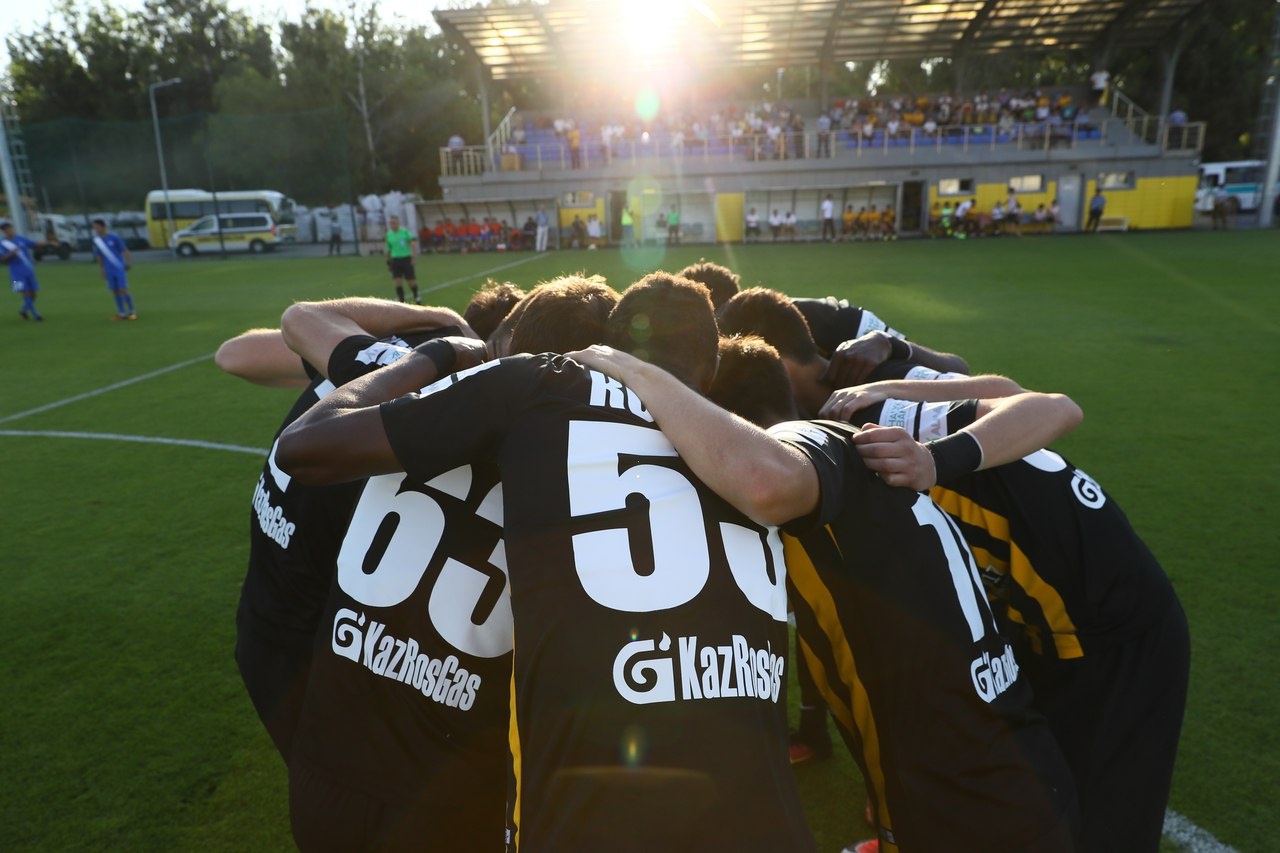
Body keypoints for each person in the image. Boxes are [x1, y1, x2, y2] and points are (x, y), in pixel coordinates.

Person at [276, 275, 818, 853]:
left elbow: (301, 401)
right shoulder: (737, 456)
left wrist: (437, 355)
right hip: (743, 814)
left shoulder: (512, 391)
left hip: (346, 759)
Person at [565, 343, 1082, 853]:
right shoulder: (837, 462)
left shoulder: (799, 443)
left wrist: (638, 373)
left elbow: (763, 482)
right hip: (1006, 766)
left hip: (966, 806)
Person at [823, 371, 1190, 853]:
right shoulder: (842, 420)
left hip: (1115, 628)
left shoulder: (861, 420)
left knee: (1106, 822)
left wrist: (929, 453)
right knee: (1027, 782)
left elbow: (1048, 405)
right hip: (1032, 618)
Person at [215, 298, 474, 768]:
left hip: (261, 622)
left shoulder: (360, 351)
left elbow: (233, 355)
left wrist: (431, 318)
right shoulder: (451, 396)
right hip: (315, 652)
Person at [91, 218, 136, 321]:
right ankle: (122, 313)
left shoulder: (114, 237)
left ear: (103, 227)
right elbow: (99, 256)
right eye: (94, 228)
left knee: (123, 290)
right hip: (109, 269)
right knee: (115, 291)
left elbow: (125, 250)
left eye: (97, 227)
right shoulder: (97, 241)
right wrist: (101, 269)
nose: (96, 230)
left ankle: (132, 311)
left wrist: (129, 262)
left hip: (118, 267)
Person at [2, 220, 46, 321]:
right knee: (25, 292)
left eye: (10, 228)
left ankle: (23, 310)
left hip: (28, 270)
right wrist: (11, 253)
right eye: (6, 229)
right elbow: (2, 259)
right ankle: (36, 315)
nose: (9, 230)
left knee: (33, 294)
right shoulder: (2, 243)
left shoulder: (20, 238)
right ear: (4, 231)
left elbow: (33, 244)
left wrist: (49, 243)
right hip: (16, 272)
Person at [385, 214, 420, 303]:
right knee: (397, 282)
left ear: (398, 223)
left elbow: (413, 244)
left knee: (411, 281)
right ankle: (401, 301)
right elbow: (388, 250)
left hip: (406, 259)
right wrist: (388, 262)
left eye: (394, 223)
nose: (393, 225)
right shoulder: (389, 234)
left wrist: (413, 257)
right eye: (391, 223)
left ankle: (416, 297)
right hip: (395, 260)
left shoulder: (405, 232)